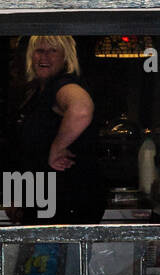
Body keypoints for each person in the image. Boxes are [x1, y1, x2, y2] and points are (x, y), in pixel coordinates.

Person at [13, 35, 105, 225]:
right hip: (45, 204)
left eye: (52, 51)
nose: (44, 57)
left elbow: (81, 109)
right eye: (39, 51)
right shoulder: (39, 92)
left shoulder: (64, 85)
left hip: (65, 207)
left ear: (66, 57)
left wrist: (58, 148)